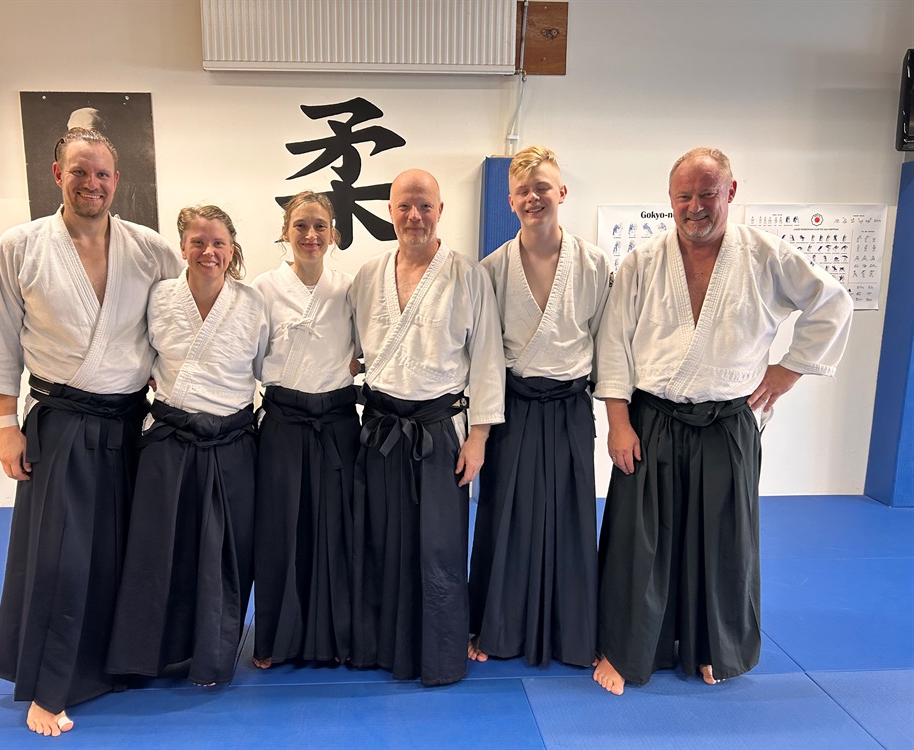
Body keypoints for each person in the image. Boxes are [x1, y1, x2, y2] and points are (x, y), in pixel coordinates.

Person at [592, 147, 854, 695]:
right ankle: (629, 648)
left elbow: (833, 304)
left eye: (707, 194)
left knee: (725, 542)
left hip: (727, 421)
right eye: (684, 196)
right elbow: (613, 343)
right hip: (653, 418)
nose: (695, 207)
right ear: (670, 199)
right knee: (640, 541)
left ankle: (716, 648)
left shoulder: (766, 255)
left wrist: (789, 370)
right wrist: (618, 421)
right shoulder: (642, 261)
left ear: (730, 192)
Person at [0, 127, 182, 736]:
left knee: (128, 550)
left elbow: (181, 322)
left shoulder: (150, 249)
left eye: (103, 173)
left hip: (133, 421)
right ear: (57, 173)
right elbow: (0, 340)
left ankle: (122, 664)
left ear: (118, 180)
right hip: (62, 419)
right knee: (62, 558)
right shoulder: (22, 245)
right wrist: (6, 426)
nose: (92, 183)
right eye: (80, 171)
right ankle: (50, 685)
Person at [348, 169, 505, 686]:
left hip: (440, 430)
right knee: (382, 540)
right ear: (390, 211)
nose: (414, 216)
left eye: (424, 206)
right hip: (381, 428)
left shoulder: (468, 275)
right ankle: (380, 647)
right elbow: (352, 351)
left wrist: (478, 437)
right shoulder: (367, 276)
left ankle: (438, 655)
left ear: (440, 210)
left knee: (439, 547)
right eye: (404, 206)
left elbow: (487, 360)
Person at [106, 205, 266, 686]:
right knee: (158, 550)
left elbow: (267, 367)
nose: (208, 251)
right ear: (182, 247)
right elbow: (135, 354)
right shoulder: (159, 297)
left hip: (232, 440)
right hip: (170, 438)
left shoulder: (253, 302)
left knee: (225, 554)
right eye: (198, 242)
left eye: (218, 243)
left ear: (232, 249)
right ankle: (149, 655)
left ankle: (211, 656)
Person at [468, 146, 610, 668]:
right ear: (510, 201)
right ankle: (496, 628)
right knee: (505, 515)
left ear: (562, 192)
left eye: (542, 188)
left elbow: (607, 343)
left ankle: (575, 634)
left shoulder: (593, 264)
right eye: (523, 191)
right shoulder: (491, 270)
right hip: (515, 404)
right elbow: (484, 354)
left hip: (570, 404)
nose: (533, 198)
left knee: (572, 517)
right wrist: (480, 428)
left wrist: (615, 413)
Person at [250, 192, 360, 668]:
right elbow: (250, 357)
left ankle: (337, 638)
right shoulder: (262, 288)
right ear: (285, 231)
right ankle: (276, 640)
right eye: (300, 226)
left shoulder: (349, 287)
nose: (311, 235)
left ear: (333, 233)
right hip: (284, 421)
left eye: (320, 226)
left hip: (337, 423)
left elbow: (365, 349)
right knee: (280, 531)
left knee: (338, 531)